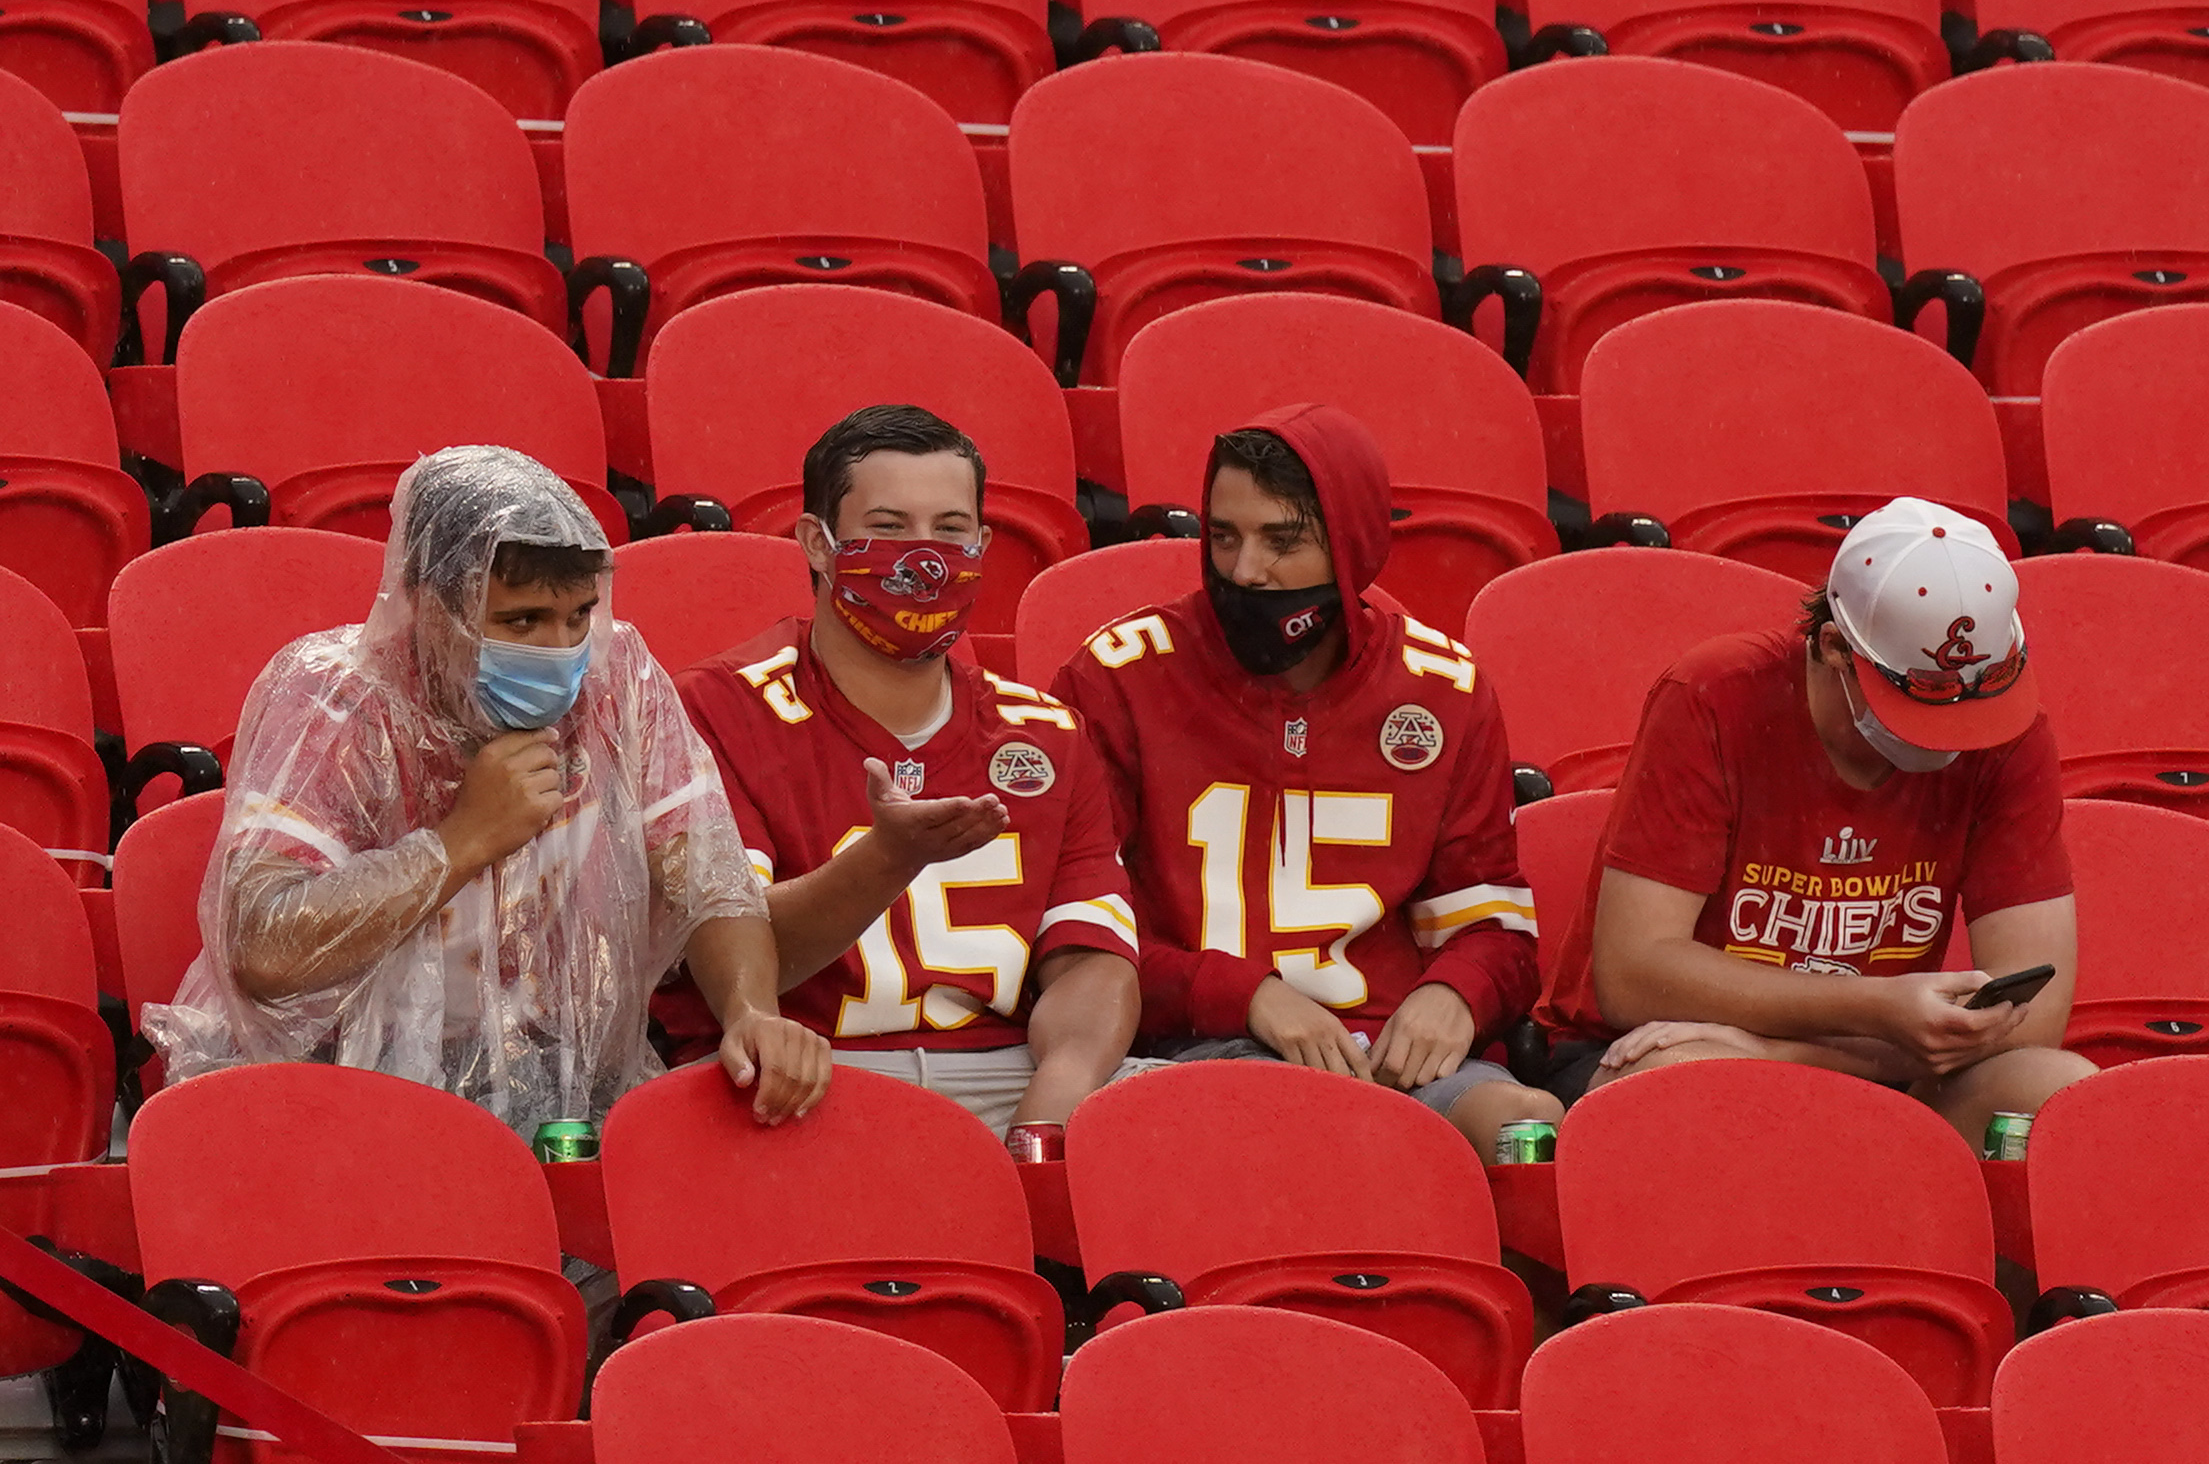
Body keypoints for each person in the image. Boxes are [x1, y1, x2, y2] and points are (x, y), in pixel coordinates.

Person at [148, 445, 828, 1136]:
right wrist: (462, 841)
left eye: (577, 616)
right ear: (428, 603)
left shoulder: (618, 675)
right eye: (521, 621)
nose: (560, 650)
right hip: (326, 1096)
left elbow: (707, 877)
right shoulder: (334, 695)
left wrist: (750, 1011)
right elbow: (264, 953)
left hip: (553, 1086)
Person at [1050, 406, 1553, 1160]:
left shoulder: (1442, 689)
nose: (1246, 571)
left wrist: (1454, 994)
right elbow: (1074, 937)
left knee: (1532, 1128)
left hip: (1388, 1055)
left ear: (1352, 545)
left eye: (1282, 541)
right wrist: (1248, 997)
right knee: (1313, 1130)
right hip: (1193, 1049)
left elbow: (1494, 927)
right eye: (1224, 536)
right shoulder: (1119, 675)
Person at [1530, 499, 2091, 1147]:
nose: (1954, 738)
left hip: (1882, 1057)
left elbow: (2035, 1014)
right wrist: (1875, 1011)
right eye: (1924, 700)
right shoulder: (1715, 694)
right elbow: (1633, 975)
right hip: (1660, 1042)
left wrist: (1810, 1053)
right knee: (1689, 1083)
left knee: (2060, 1087)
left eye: (1972, 701)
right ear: (1833, 647)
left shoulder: (2006, 733)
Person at [668, 405, 1142, 1143]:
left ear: (983, 544)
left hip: (1013, 1071)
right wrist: (889, 857)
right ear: (816, 544)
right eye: (888, 529)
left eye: (950, 531)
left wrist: (1048, 1119)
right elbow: (733, 955)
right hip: (806, 1077)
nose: (923, 558)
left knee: (1217, 1122)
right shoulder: (714, 708)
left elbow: (1092, 959)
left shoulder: (1047, 732)